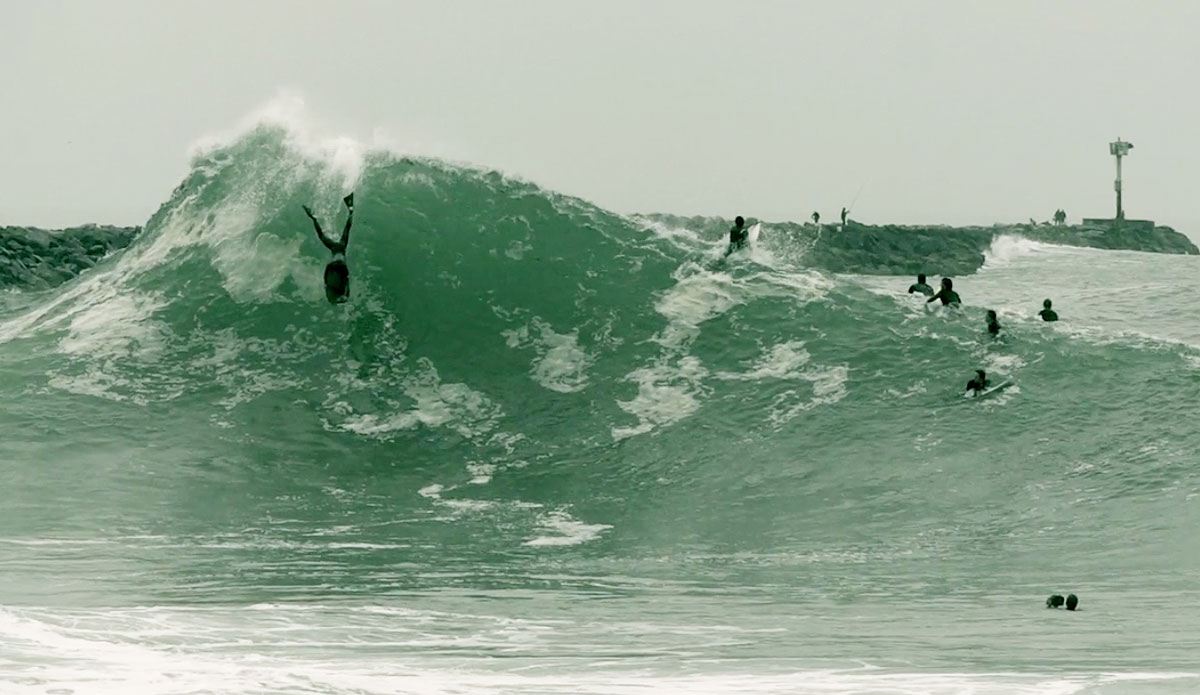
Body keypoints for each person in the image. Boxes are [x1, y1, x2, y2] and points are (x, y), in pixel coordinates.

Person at [303, 192, 355, 304]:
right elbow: (347, 228)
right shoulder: (341, 245)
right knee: (344, 282)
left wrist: (313, 219)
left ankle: (313, 217)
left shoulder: (336, 246)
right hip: (339, 265)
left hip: (335, 266)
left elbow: (321, 234)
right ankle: (350, 209)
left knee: (341, 283)